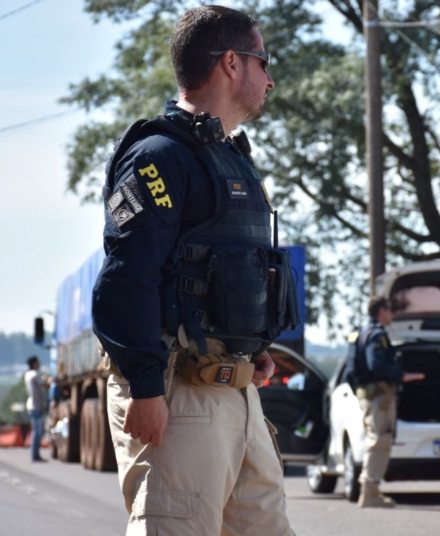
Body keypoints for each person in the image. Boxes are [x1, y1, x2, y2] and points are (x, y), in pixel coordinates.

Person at [91, 6, 298, 535]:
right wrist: (144, 387)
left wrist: (251, 347)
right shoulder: (159, 156)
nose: (270, 79)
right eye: (263, 60)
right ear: (231, 63)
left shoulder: (230, 158)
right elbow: (125, 280)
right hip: (178, 394)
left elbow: (227, 269)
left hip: (238, 394)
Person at [346, 297, 425, 508]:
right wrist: (401, 375)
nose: (392, 314)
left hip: (368, 397)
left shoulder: (360, 333)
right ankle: (370, 492)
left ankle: (371, 490)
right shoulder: (378, 335)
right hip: (380, 397)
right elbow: (376, 364)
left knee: (376, 440)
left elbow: (349, 372)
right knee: (380, 441)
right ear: (381, 311)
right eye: (390, 310)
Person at [24, 356, 48, 462]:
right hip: (35, 407)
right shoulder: (34, 374)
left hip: (32, 406)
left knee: (37, 432)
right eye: (38, 362)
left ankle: (35, 454)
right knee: (37, 432)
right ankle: (34, 455)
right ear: (34, 363)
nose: (39, 364)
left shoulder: (28, 374)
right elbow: (44, 384)